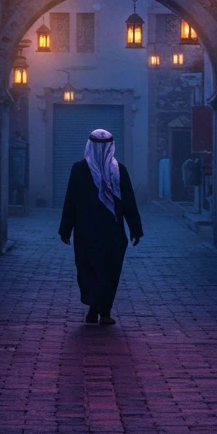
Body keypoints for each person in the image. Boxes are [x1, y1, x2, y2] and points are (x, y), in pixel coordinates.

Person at [59, 128, 143, 326]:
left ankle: (99, 311)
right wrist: (135, 229)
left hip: (93, 232)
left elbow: (128, 201)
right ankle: (99, 310)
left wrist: (135, 229)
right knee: (100, 270)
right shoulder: (91, 169)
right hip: (105, 231)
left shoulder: (112, 170)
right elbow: (72, 200)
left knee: (101, 269)